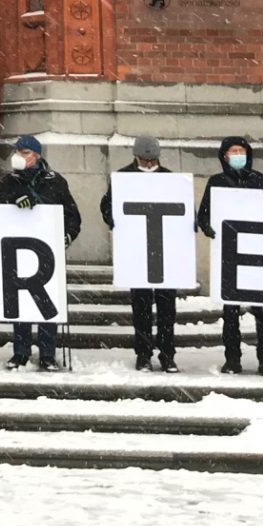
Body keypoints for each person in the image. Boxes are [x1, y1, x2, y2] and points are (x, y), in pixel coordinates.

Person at [195, 135, 263, 376]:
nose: (238, 155)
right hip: (230, 253)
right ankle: (232, 359)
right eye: (233, 151)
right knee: (231, 312)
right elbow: (203, 214)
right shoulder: (217, 181)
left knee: (262, 311)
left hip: (257, 250)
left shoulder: (259, 180)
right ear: (224, 156)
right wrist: (207, 227)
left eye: (241, 150)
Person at [0, 134, 80, 371]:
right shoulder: (9, 181)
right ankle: (20, 352)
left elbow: (73, 217)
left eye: (25, 152)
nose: (20, 157)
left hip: (45, 253)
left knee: (46, 302)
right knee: (21, 301)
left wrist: (66, 237)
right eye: (18, 152)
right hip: (19, 252)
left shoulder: (55, 181)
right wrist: (14, 199)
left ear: (37, 155)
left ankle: (47, 353)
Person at [101, 135, 177, 372]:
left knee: (166, 308)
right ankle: (143, 353)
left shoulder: (169, 178)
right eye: (143, 159)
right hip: (136, 250)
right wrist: (115, 219)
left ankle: (167, 353)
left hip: (163, 250)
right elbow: (107, 205)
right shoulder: (123, 178)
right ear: (136, 157)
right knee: (141, 306)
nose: (147, 164)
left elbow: (183, 208)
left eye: (151, 159)